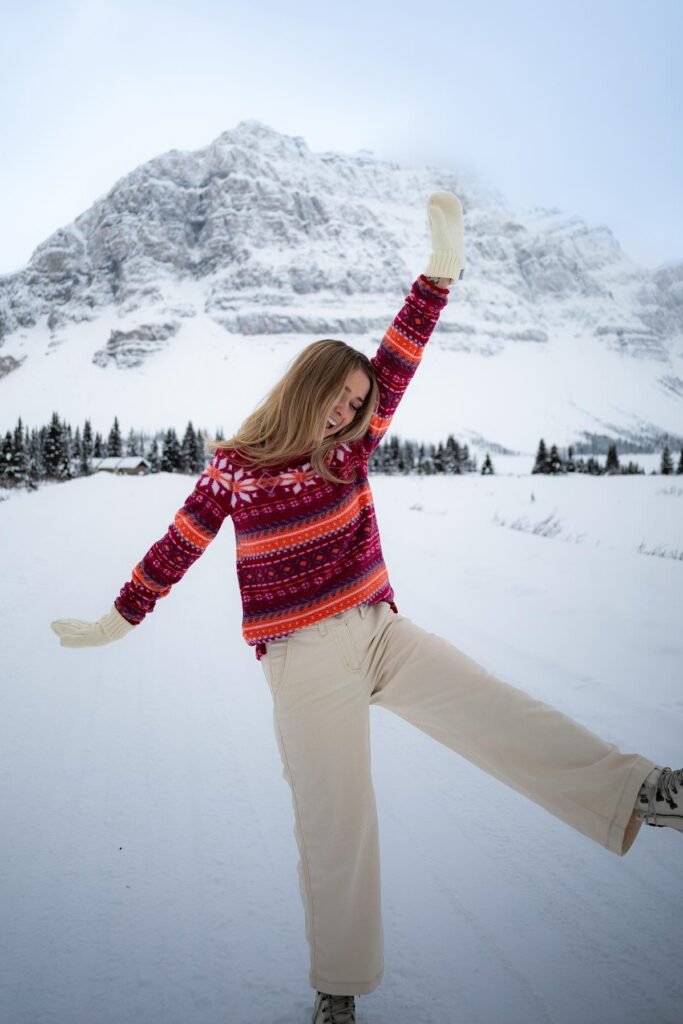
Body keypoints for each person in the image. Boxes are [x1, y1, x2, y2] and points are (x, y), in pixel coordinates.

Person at [51, 193, 681, 1024]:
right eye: (340, 397)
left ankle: (645, 790)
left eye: (358, 402)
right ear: (309, 386)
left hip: (377, 631)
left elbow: (403, 350)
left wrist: (439, 270)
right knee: (336, 822)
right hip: (301, 659)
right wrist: (118, 618)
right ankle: (337, 990)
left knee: (499, 711)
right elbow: (180, 543)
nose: (350, 411)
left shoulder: (352, 450)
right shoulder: (236, 466)